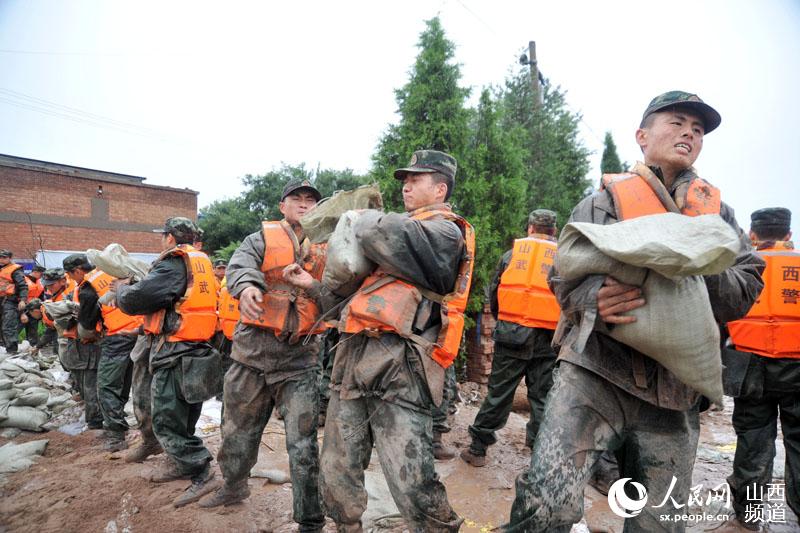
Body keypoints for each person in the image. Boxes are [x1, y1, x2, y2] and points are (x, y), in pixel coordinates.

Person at [505, 91, 765, 532]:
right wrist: (592, 301)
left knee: (659, 521)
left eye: (698, 130)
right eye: (677, 122)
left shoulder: (717, 215)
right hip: (595, 373)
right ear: (642, 136)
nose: (689, 133)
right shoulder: (602, 203)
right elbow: (563, 275)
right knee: (546, 503)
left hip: (675, 392)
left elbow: (746, 285)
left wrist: (698, 257)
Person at [314, 150, 474, 532]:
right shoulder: (395, 236)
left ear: (440, 188)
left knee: (411, 474)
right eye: (405, 179)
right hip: (354, 353)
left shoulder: (444, 232)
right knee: (338, 459)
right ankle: (346, 525)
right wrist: (311, 284)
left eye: (415, 180)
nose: (406, 185)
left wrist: (356, 215)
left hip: (403, 361)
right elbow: (342, 293)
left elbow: (379, 231)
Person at [200, 179, 329, 533]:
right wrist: (247, 287)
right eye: (296, 199)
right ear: (281, 206)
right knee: (237, 431)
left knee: (302, 445)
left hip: (299, 360)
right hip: (252, 353)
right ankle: (233, 486)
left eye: (310, 200)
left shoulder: (329, 245)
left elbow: (338, 293)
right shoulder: (259, 239)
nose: (304, 204)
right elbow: (241, 266)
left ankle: (310, 520)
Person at [115, 217, 220, 507]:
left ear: (170, 238)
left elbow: (137, 300)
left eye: (163, 236)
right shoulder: (199, 262)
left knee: (165, 418)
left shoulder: (173, 262)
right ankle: (180, 462)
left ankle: (201, 470)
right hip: (194, 348)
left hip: (175, 351)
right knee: (182, 414)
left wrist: (122, 289)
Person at [719, 208, 799, 531]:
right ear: (789, 235)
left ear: (752, 236)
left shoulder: (740, 267)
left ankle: (747, 514)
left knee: (753, 440)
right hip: (797, 367)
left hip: (750, 367)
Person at [461, 209, 560, 467]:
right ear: (554, 232)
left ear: (529, 228)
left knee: (499, 394)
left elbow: (494, 296)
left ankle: (478, 448)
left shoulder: (511, 256)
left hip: (511, 335)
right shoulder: (564, 259)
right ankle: (539, 453)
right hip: (549, 339)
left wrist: (506, 321)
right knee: (542, 397)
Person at [76, 260, 142, 451]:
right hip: (141, 334)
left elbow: (87, 325)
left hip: (117, 339)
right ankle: (121, 424)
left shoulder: (90, 285)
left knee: (106, 386)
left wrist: (92, 332)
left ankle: (115, 435)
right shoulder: (129, 270)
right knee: (125, 382)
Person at [62, 253, 104, 430]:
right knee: (88, 381)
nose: (69, 278)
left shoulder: (88, 287)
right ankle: (95, 417)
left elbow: (88, 325)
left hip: (94, 340)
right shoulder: (93, 281)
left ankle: (95, 421)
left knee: (91, 382)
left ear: (78, 270)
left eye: (70, 274)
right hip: (93, 338)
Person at [0, 249, 29, 354]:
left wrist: (22, 300)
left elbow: (23, 286)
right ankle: (4, 348)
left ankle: (12, 351)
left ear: (10, 258)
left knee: (8, 326)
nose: (2, 260)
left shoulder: (15, 270)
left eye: (4, 257)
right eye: (0, 257)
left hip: (9, 301)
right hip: (1, 299)